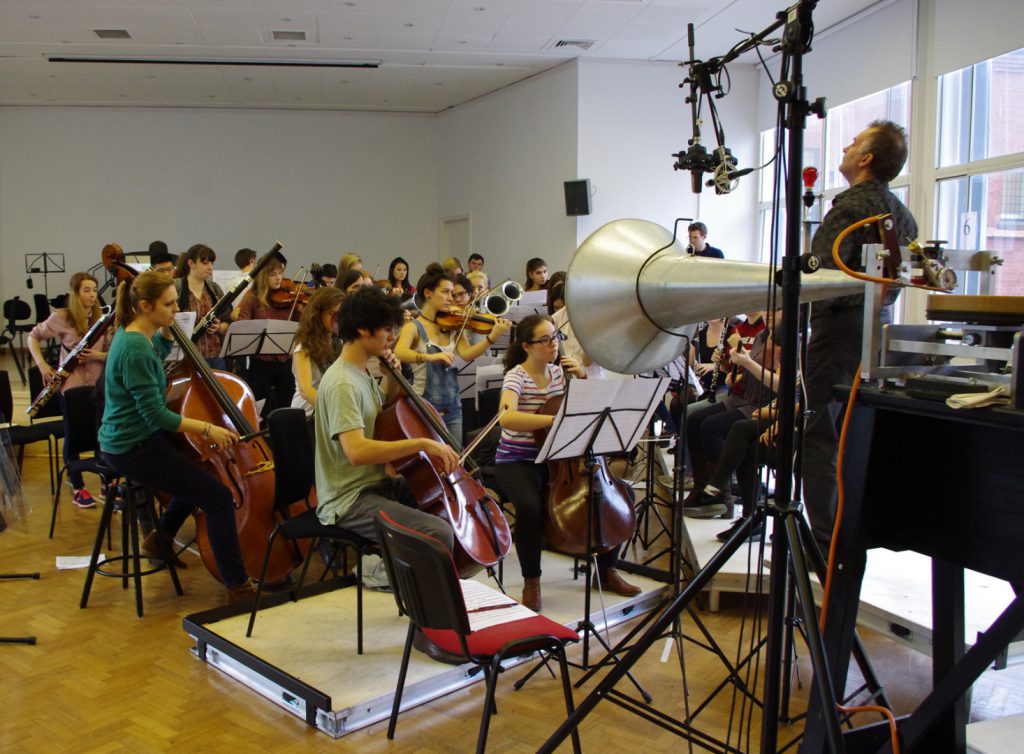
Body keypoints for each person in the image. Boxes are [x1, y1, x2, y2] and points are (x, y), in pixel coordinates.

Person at [97, 270, 253, 604]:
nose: (174, 310)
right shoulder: (134, 348)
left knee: (204, 473)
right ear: (144, 305)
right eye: (168, 305)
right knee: (218, 497)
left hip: (142, 438)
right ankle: (238, 587)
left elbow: (162, 354)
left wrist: (170, 331)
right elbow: (155, 415)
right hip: (131, 447)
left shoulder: (141, 334)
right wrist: (208, 427)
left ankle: (162, 536)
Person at [802, 119, 918, 551]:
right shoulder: (903, 215)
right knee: (855, 437)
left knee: (819, 434)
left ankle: (821, 546)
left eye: (852, 144)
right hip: (879, 332)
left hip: (838, 331)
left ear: (866, 159)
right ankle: (849, 538)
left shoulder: (849, 208)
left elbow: (818, 276)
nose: (845, 148)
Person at [493, 314, 640, 612]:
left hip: (559, 460)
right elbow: (506, 417)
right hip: (518, 459)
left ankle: (607, 569)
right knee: (530, 507)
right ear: (527, 346)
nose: (554, 345)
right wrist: (553, 419)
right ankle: (531, 580)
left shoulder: (560, 374)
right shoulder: (515, 376)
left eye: (555, 338)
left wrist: (583, 380)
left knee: (623, 492)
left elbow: (587, 412)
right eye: (545, 340)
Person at [314, 286, 456, 551]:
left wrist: (391, 376)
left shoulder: (362, 370)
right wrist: (422, 444)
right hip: (349, 499)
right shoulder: (342, 382)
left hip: (377, 483)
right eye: (387, 329)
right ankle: (372, 570)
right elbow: (356, 452)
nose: (392, 337)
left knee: (444, 508)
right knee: (437, 534)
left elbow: (384, 415)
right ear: (362, 330)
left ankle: (413, 575)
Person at [393, 269, 512, 444]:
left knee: (456, 458)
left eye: (453, 292)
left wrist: (492, 337)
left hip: (453, 407)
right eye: (446, 292)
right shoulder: (414, 327)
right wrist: (430, 357)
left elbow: (467, 354)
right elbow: (399, 352)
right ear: (428, 293)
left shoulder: (452, 326)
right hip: (425, 406)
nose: (451, 298)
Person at [27, 272, 109, 508]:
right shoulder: (61, 316)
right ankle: (78, 486)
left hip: (96, 384)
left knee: (100, 433)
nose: (92, 294)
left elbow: (112, 351)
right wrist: (43, 366)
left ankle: (105, 482)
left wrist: (97, 355)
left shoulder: (102, 318)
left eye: (94, 290)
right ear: (75, 293)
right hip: (71, 386)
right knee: (73, 435)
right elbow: (33, 337)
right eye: (86, 290)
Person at [236, 257, 299, 419]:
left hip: (286, 361)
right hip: (261, 362)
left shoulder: (291, 297)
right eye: (273, 274)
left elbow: (304, 324)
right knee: (262, 408)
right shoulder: (252, 297)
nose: (279, 278)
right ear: (263, 276)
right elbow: (242, 324)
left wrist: (300, 307)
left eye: (280, 273)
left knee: (287, 405)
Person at [291, 286, 343, 419]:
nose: (337, 319)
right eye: (332, 314)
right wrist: (336, 412)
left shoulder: (339, 342)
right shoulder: (303, 347)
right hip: (307, 416)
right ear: (318, 314)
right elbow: (306, 390)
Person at [174, 244, 229, 369]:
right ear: (191, 263)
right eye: (205, 263)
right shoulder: (176, 288)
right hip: (187, 357)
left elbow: (228, 321)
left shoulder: (214, 289)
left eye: (212, 263)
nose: (210, 267)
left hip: (215, 356)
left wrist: (219, 328)